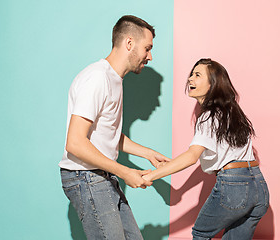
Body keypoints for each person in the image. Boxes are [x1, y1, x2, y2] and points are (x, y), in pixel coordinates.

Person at [59, 15, 170, 240]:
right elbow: (75, 142)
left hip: (101, 176)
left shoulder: (113, 79)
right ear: (129, 43)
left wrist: (148, 153)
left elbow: (107, 133)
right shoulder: (97, 78)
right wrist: (124, 171)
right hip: (86, 176)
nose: (150, 56)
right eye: (147, 48)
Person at [143, 58, 269, 240]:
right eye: (191, 74)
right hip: (259, 187)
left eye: (197, 75)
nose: (190, 79)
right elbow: (211, 155)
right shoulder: (233, 113)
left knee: (201, 233)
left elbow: (192, 157)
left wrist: (149, 176)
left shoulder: (208, 116)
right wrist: (174, 172)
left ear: (212, 84)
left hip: (234, 187)